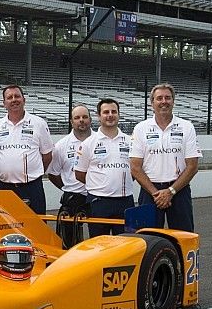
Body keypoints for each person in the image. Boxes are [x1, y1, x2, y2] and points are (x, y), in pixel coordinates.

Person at [130, 83, 201, 232]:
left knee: (184, 237)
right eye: (159, 98)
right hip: (150, 192)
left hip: (179, 191)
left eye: (168, 98)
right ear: (152, 103)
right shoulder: (141, 128)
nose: (164, 101)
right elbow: (135, 167)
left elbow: (193, 166)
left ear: (173, 101)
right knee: (147, 239)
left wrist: (170, 192)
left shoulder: (186, 127)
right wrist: (156, 193)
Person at [0, 85, 53, 214]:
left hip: (32, 187)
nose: (14, 100)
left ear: (24, 99)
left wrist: (34, 173)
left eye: (17, 96)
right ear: (4, 103)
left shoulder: (39, 123)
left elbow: (47, 156)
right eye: (9, 97)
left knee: (36, 227)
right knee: (5, 228)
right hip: (5, 187)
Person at [75, 99, 133, 237]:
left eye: (114, 112)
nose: (110, 115)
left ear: (119, 115)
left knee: (126, 246)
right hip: (98, 203)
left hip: (125, 201)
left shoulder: (130, 141)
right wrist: (100, 186)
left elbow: (134, 171)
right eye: (106, 112)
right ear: (99, 116)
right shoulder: (88, 143)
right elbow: (79, 174)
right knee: (99, 248)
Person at [48, 104, 91, 247]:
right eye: (77, 118)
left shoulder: (100, 139)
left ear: (90, 119)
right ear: (72, 122)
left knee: (98, 239)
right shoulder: (61, 145)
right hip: (73, 197)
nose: (81, 120)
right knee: (70, 243)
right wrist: (68, 187)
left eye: (85, 117)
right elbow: (53, 174)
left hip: (98, 196)